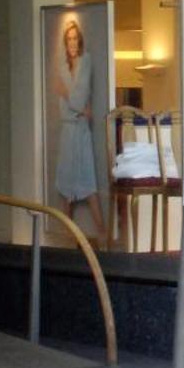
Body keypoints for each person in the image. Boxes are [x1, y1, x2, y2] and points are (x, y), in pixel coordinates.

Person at [54, 18, 107, 243]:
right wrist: (75, 104)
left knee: (88, 181)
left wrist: (68, 94)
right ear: (65, 44)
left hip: (81, 131)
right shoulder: (62, 68)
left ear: (80, 41)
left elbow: (79, 96)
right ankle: (67, 236)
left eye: (75, 39)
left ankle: (103, 233)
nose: (72, 43)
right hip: (68, 130)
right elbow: (65, 108)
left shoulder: (86, 62)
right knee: (67, 185)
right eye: (69, 40)